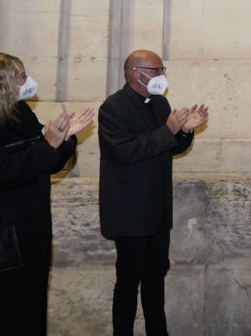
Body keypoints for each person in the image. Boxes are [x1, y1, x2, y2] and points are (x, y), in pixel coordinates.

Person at [0, 52, 93, 336]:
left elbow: (45, 160)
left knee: (26, 310)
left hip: (27, 233)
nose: (29, 82)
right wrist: (48, 145)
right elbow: (3, 173)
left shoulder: (21, 114)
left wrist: (64, 141)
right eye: (22, 76)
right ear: (3, 84)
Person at [98, 49, 209, 336]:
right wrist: (169, 130)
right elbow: (125, 152)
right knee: (128, 282)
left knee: (155, 279)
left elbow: (170, 147)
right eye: (157, 70)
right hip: (130, 213)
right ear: (137, 73)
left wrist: (184, 131)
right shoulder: (113, 107)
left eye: (162, 70)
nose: (162, 76)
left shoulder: (160, 104)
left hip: (157, 211)